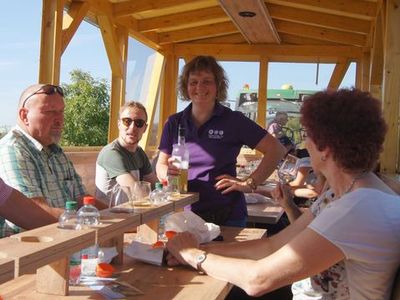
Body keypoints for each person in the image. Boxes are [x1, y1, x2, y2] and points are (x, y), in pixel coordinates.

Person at [165, 88, 400, 299]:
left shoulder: (356, 209)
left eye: (307, 135)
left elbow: (257, 280)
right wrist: (194, 250)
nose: (304, 143)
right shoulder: (342, 196)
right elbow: (271, 246)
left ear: (326, 148)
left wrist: (194, 256)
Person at [157, 56, 286, 227]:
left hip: (227, 215)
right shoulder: (174, 122)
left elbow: (276, 149)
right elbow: (161, 165)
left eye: (207, 81)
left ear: (218, 86)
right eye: (193, 82)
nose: (199, 87)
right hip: (183, 214)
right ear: (186, 86)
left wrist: (249, 183)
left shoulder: (234, 121)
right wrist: (167, 173)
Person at [0, 83, 106, 237]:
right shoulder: (12, 149)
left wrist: (118, 216)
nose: (59, 120)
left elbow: (83, 199)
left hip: (68, 237)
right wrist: (94, 220)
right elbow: (35, 214)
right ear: (24, 115)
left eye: (61, 112)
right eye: (49, 112)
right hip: (33, 249)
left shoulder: (55, 150)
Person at [95, 101, 158, 203]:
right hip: (112, 216)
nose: (132, 127)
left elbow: (156, 186)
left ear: (145, 128)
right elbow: (137, 193)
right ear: (119, 124)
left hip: (132, 213)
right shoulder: (111, 153)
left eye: (139, 123)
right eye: (127, 121)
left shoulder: (139, 152)